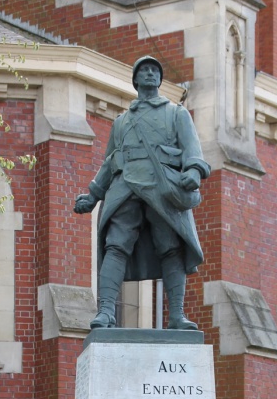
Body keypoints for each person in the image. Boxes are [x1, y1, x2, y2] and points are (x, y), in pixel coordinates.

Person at [74, 56, 211, 330]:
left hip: (162, 188)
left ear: (160, 80)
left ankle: (176, 316)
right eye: (144, 71)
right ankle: (106, 312)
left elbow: (193, 150)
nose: (149, 74)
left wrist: (194, 173)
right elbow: (110, 161)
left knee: (170, 247)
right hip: (125, 187)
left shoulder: (176, 113)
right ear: (136, 80)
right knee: (115, 245)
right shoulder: (121, 122)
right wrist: (93, 195)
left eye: (154, 71)